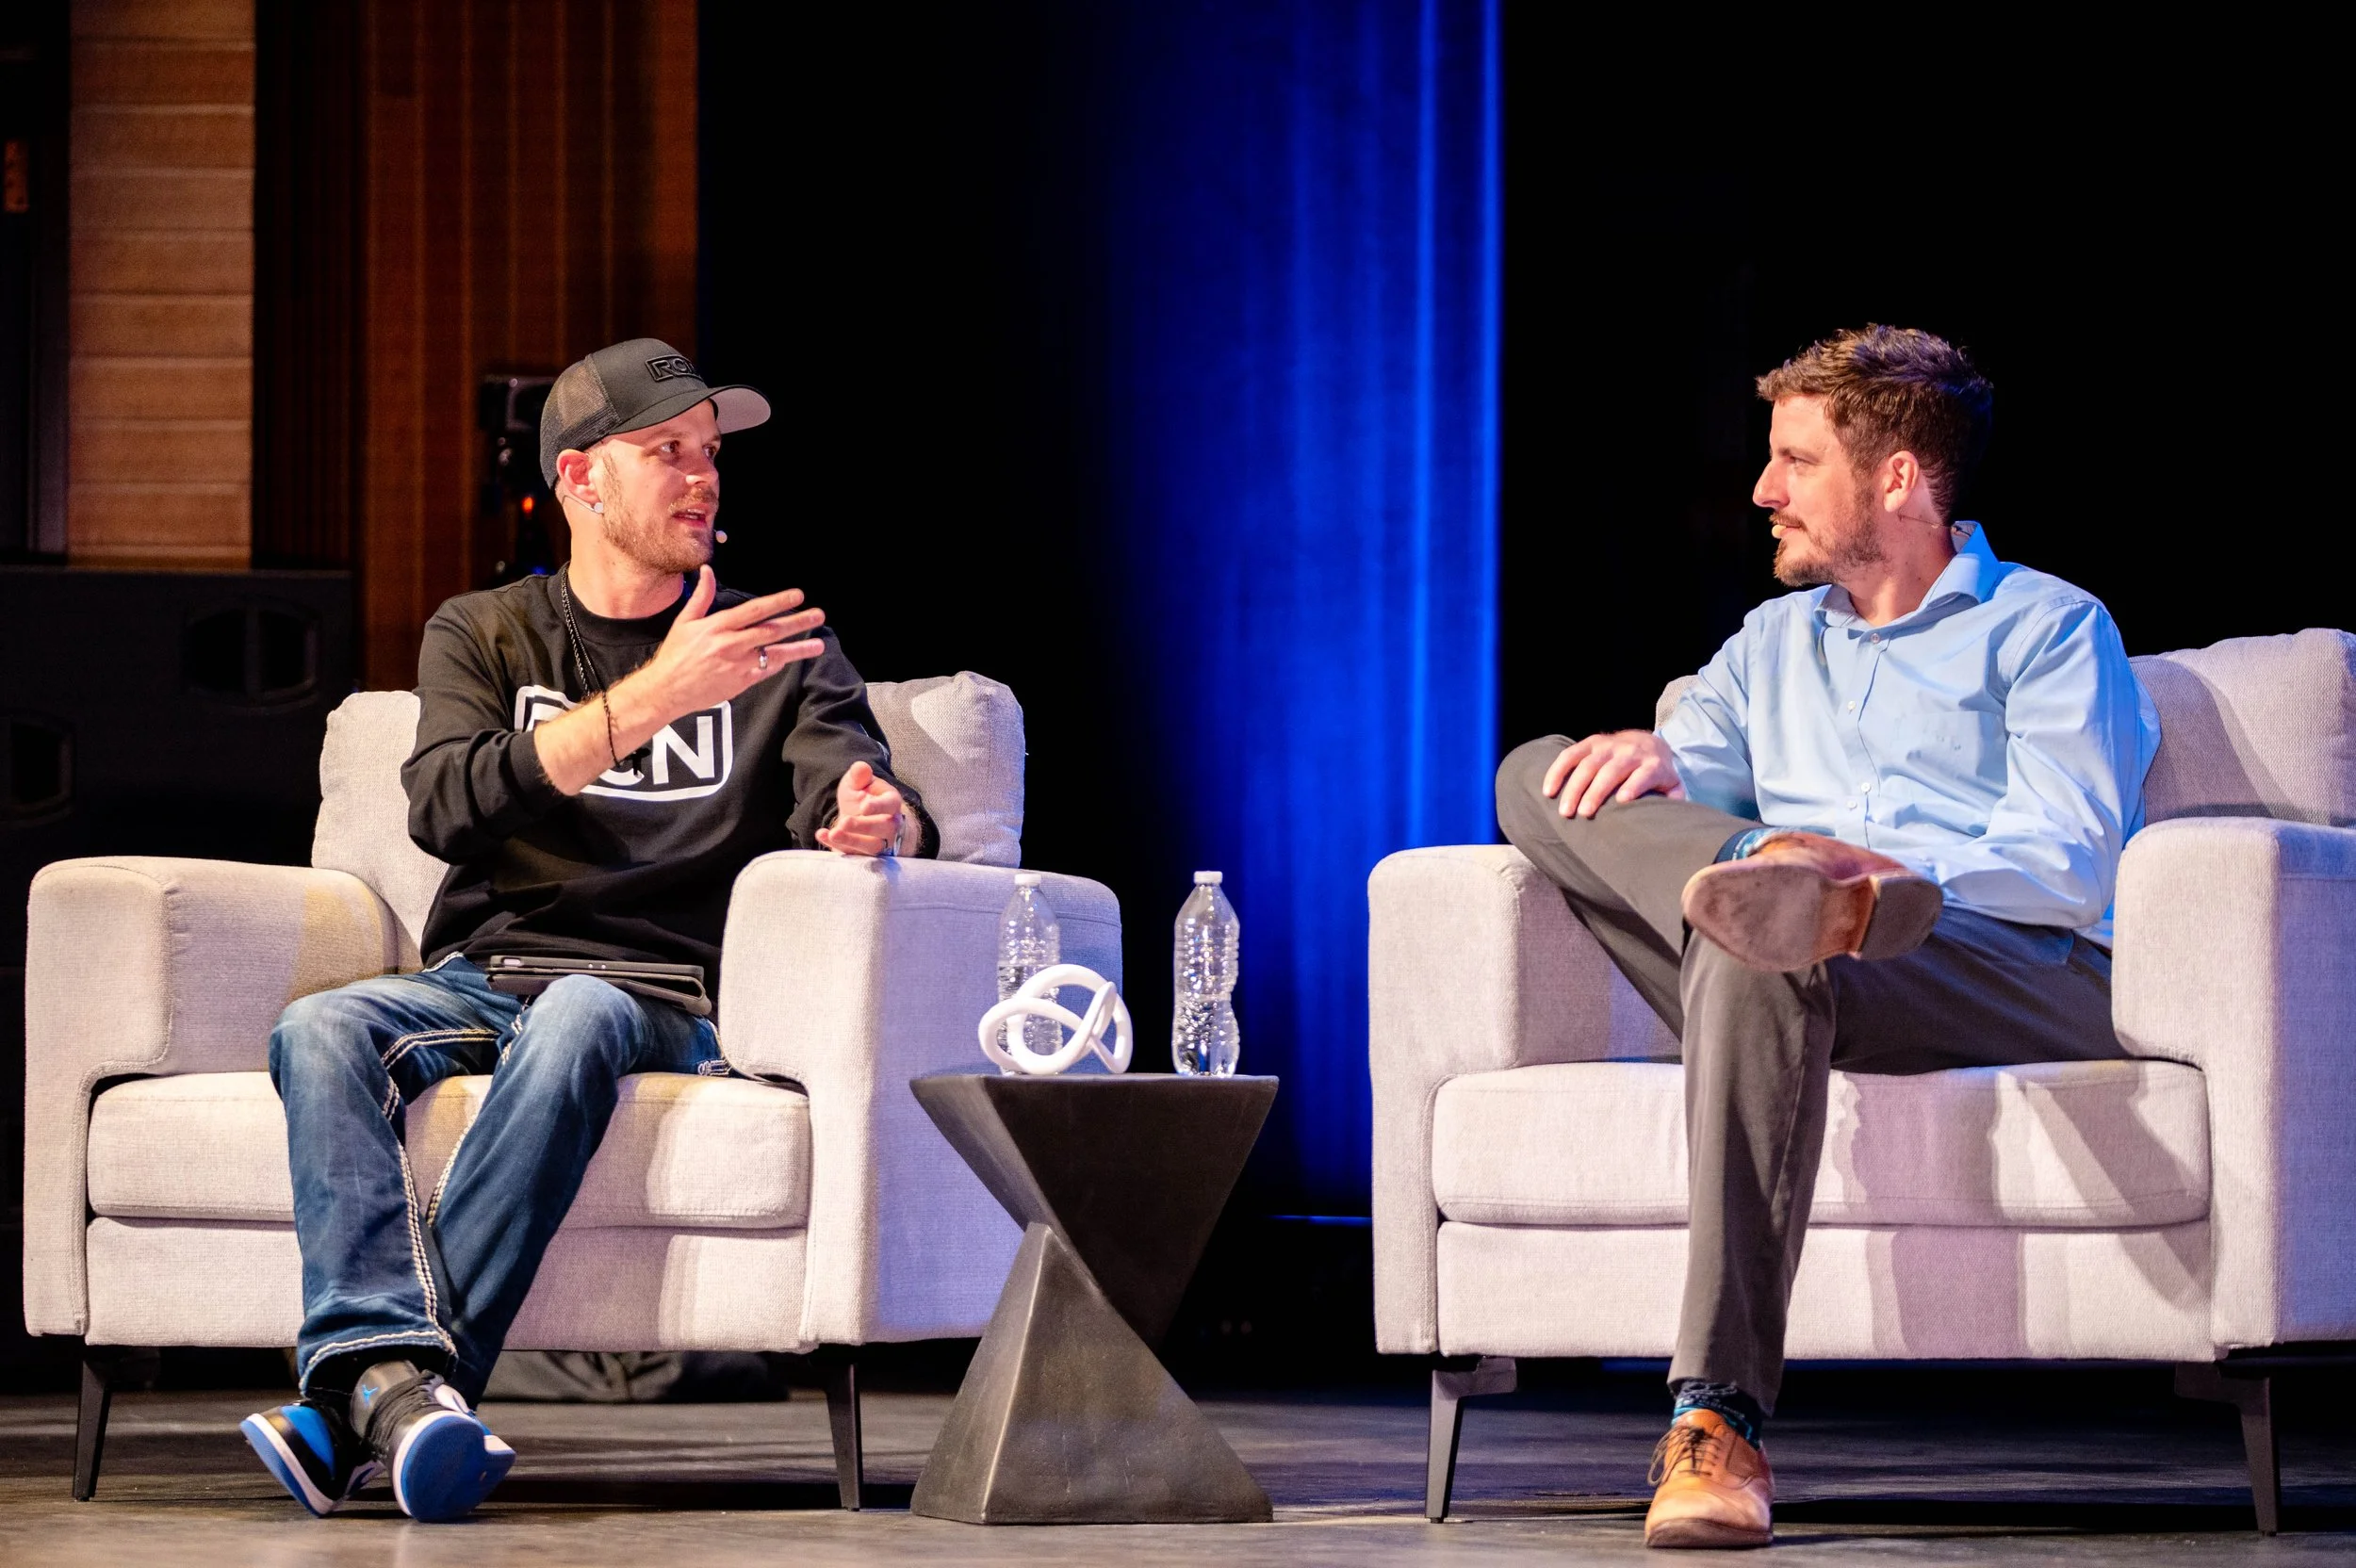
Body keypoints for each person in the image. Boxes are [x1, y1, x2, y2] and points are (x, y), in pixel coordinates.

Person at [241, 338, 935, 1521]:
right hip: (486, 973)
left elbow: (865, 794)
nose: (702, 476)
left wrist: (881, 818)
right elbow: (446, 805)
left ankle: (364, 1397)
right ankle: (396, 1395)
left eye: (709, 452)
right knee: (319, 1025)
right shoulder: (483, 630)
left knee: (579, 1010)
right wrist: (654, 696)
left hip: (668, 992)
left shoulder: (769, 645)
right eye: (667, 450)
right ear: (579, 478)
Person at [1495, 326, 2158, 1549]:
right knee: (1546, 776)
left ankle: (1715, 1415)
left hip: (2003, 966)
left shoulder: (2047, 628)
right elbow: (1686, 768)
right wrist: (1660, 765)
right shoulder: (1772, 644)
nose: (1763, 490)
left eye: (1796, 461)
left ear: (1896, 478)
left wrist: (1878, 872)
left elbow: (2068, 863)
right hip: (1800, 956)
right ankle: (1785, 891)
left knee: (1774, 927)